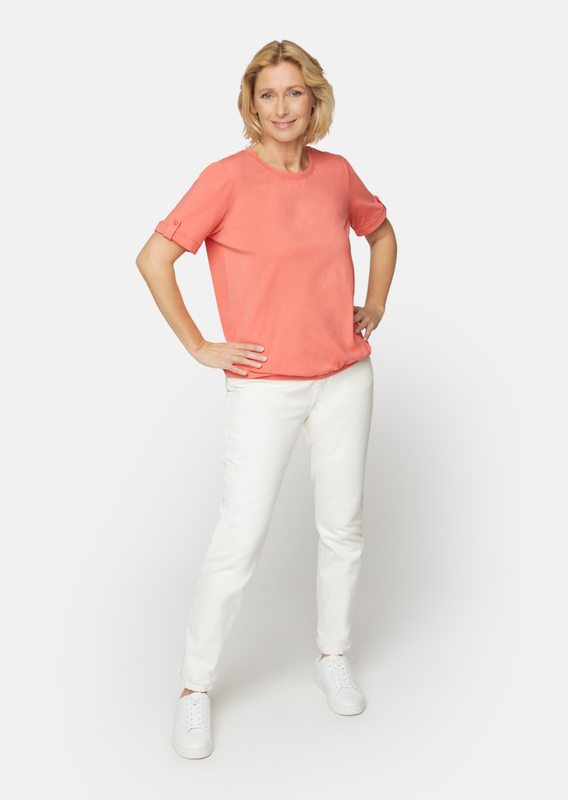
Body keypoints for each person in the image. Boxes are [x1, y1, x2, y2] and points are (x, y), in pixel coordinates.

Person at [135, 39, 397, 759]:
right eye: (268, 94)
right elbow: (154, 258)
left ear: (315, 99)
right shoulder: (225, 178)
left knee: (342, 529)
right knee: (239, 539)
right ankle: (194, 689)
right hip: (264, 388)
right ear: (251, 105)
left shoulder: (337, 173)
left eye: (294, 92)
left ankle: (332, 655)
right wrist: (200, 345)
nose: (282, 107)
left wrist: (374, 304)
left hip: (344, 378)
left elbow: (380, 234)